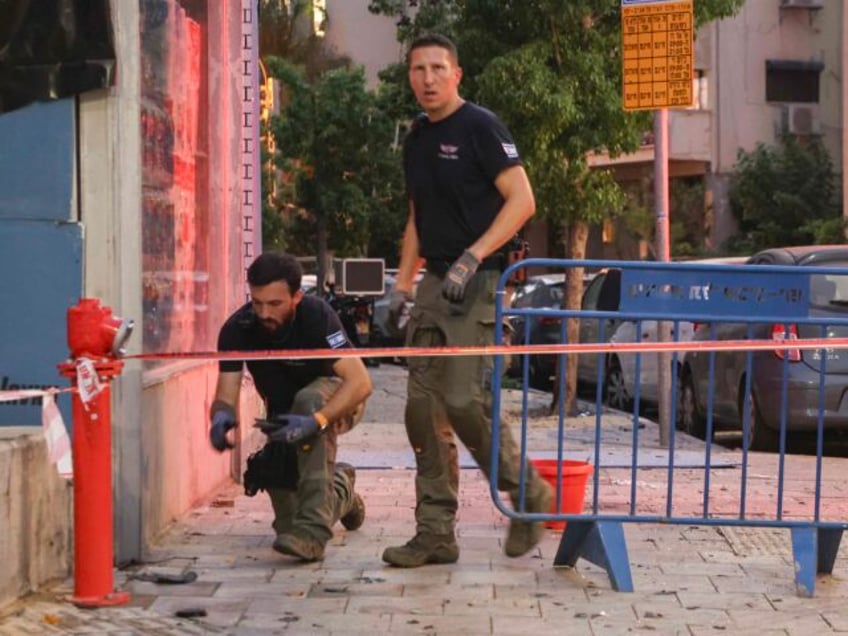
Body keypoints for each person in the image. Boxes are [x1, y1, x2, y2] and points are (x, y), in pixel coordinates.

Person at [382, 34, 553, 568]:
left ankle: (529, 495)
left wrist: (473, 256)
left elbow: (523, 200)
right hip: (434, 282)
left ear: (457, 74)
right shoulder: (415, 139)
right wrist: (402, 285)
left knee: (463, 400)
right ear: (409, 76)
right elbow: (416, 217)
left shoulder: (480, 126)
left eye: (437, 68)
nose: (427, 78)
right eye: (418, 69)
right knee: (420, 410)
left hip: (479, 281)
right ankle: (435, 531)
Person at [209, 252, 373, 562]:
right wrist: (221, 418)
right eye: (257, 302)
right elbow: (225, 395)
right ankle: (341, 491)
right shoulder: (237, 328)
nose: (263, 312)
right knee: (287, 525)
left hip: (334, 402)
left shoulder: (317, 316)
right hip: (284, 416)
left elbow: (360, 383)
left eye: (274, 304)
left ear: (296, 296)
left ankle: (313, 537)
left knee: (307, 401)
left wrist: (316, 421)